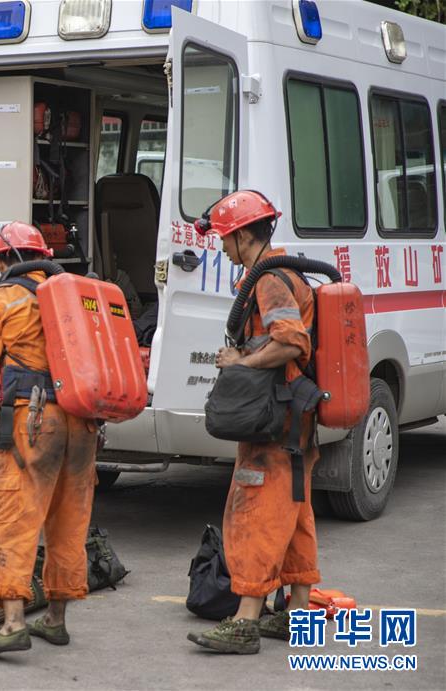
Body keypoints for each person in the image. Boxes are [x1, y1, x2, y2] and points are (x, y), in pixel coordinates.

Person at [187, 191, 320, 654]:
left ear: (245, 235)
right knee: (294, 508)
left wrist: (240, 364)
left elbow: (290, 343)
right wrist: (246, 353)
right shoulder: (282, 274)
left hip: (275, 416)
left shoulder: (269, 280)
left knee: (254, 509)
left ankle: (245, 620)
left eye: (226, 238)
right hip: (295, 415)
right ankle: (298, 614)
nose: (223, 246)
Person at [0, 222, 98, 657]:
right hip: (83, 422)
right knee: (69, 520)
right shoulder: (72, 299)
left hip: (32, 422)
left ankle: (13, 624)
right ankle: (56, 620)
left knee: (13, 518)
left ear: (2, 261)